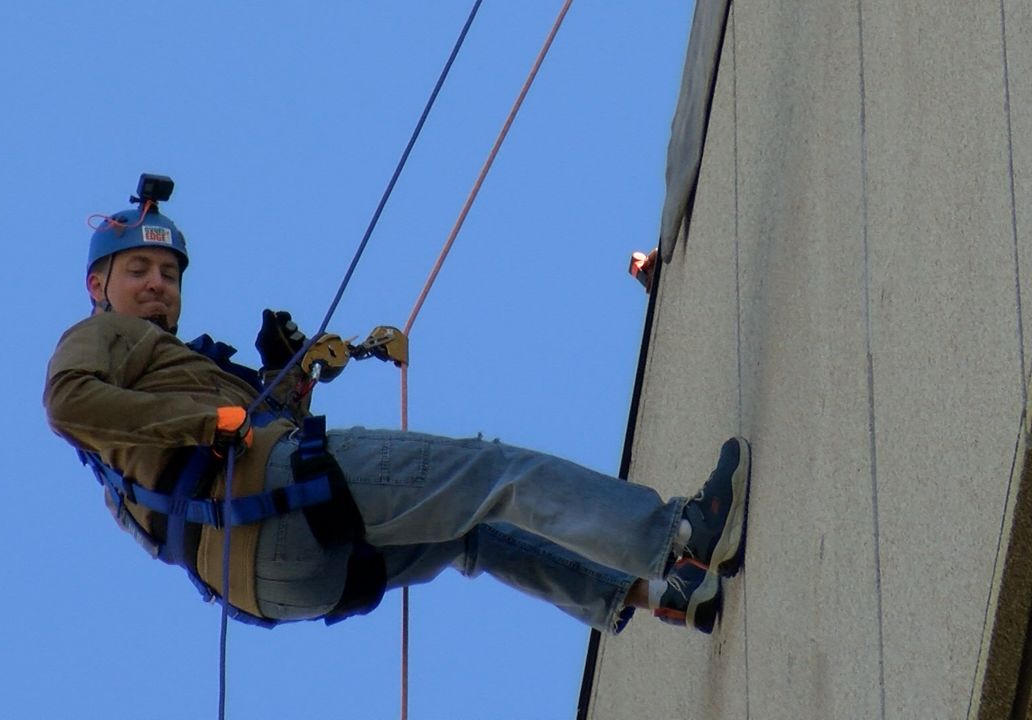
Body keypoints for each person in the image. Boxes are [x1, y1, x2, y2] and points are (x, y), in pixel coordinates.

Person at [44, 175, 751, 635]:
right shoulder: (101, 337)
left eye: (167, 272)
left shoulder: (166, 385)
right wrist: (220, 418)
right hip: (277, 505)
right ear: (97, 286)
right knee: (489, 473)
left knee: (472, 532)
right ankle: (681, 536)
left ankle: (659, 591)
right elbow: (67, 400)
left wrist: (281, 384)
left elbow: (209, 452)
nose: (157, 284)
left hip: (273, 578)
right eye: (137, 269)